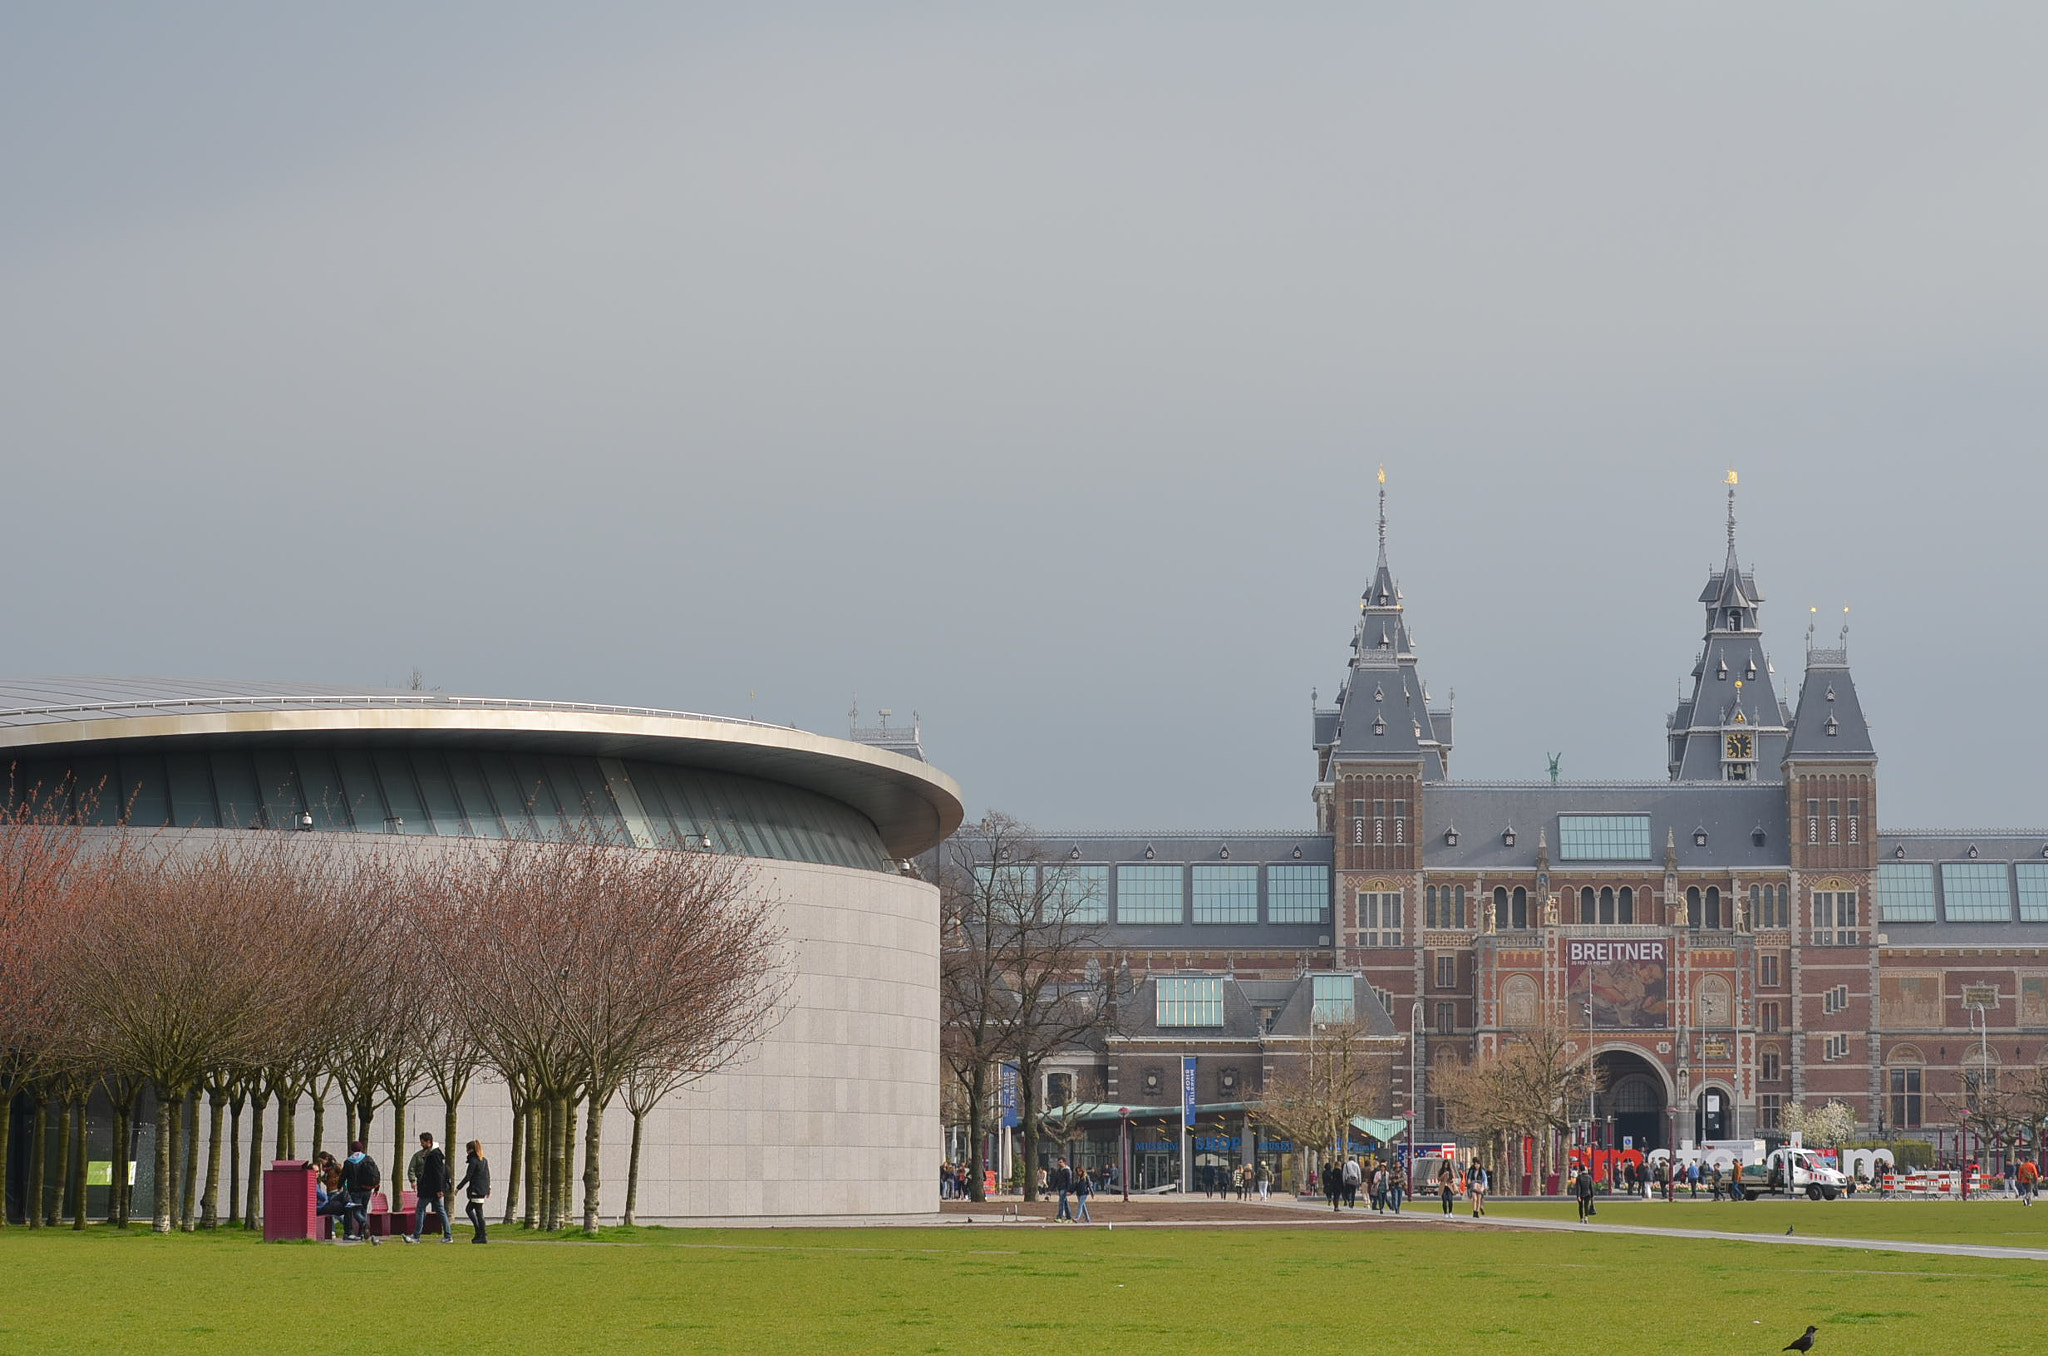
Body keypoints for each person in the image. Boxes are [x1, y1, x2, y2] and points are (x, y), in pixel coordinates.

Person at [406, 1132, 453, 1243]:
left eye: (423, 1142)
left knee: (420, 1210)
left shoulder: (433, 1155)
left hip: (429, 1189)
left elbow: (437, 1173)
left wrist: (439, 1189)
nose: (421, 1145)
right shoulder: (434, 1154)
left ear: (429, 1142)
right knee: (441, 1211)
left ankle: (416, 1236)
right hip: (433, 1189)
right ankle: (448, 1235)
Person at [338, 1141, 381, 1245]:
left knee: (355, 1211)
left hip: (355, 1190)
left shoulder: (348, 1162)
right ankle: (362, 1233)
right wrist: (376, 1188)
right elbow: (375, 1174)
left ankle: (364, 1223)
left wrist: (339, 1186)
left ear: (351, 1149)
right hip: (367, 1190)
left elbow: (343, 1176)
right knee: (363, 1210)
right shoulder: (368, 1158)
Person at [454, 1140, 491, 1243]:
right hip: (482, 1189)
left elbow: (468, 1176)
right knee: (474, 1210)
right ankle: (480, 1233)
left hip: (476, 1189)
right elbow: (487, 1175)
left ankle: (481, 1234)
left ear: (470, 1150)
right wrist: (488, 1188)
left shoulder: (473, 1161)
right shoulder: (484, 1160)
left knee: (476, 1211)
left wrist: (458, 1187)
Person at [1050, 1157, 1074, 1221]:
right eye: (1058, 1162)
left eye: (1060, 1162)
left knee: (1061, 1203)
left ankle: (1059, 1217)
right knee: (1065, 1203)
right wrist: (1052, 1188)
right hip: (1060, 1188)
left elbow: (1069, 1181)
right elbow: (1056, 1180)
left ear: (1064, 1162)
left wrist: (1069, 1190)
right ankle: (1069, 1217)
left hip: (1064, 1188)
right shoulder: (1059, 1171)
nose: (1059, 1163)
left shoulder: (1067, 1171)